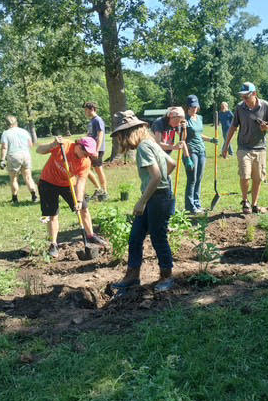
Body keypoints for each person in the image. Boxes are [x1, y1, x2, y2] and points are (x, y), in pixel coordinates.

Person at [110, 110, 177, 293]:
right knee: (136, 236)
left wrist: (142, 201)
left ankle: (167, 276)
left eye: (121, 137)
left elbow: (155, 176)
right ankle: (132, 276)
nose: (121, 142)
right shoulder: (151, 143)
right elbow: (171, 163)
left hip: (157, 198)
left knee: (158, 236)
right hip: (158, 194)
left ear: (129, 134)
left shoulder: (143, 148)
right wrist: (159, 182)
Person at [36, 135, 104, 258]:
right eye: (85, 152)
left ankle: (90, 236)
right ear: (78, 146)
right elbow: (39, 150)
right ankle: (53, 244)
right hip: (48, 182)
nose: (86, 156)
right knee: (52, 215)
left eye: (89, 154)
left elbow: (81, 181)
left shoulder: (85, 161)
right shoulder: (63, 145)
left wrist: (78, 200)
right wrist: (52, 145)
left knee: (83, 208)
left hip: (68, 184)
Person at [221, 82, 268, 214]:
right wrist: (226, 145)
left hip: (260, 148)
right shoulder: (240, 108)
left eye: (246, 96)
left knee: (257, 178)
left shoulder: (265, 105)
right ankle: (245, 201)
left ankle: (255, 204)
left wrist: (267, 127)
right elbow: (233, 127)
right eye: (242, 96)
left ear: (254, 94)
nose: (243, 99)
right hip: (244, 147)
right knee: (245, 176)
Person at [183, 94, 217, 214]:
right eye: (192, 107)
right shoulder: (184, 121)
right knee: (192, 179)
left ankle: (197, 204)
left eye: (196, 106)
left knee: (199, 178)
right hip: (191, 152)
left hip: (201, 151)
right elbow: (183, 140)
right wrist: (187, 158)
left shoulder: (200, 118)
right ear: (187, 107)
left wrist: (211, 140)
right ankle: (190, 206)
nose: (194, 109)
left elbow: (199, 135)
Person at [0, 115, 38, 204]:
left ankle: (15, 198)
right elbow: (30, 144)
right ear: (16, 122)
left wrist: (2, 160)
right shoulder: (24, 131)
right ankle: (34, 196)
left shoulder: (6, 133)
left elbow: (4, 147)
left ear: (7, 124)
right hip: (25, 155)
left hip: (13, 156)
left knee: (13, 179)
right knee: (28, 177)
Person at [82, 101, 109, 201]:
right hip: (90, 149)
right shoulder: (92, 121)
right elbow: (90, 134)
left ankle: (104, 192)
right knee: (87, 169)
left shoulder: (98, 120)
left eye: (86, 110)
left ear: (92, 109)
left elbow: (100, 135)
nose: (85, 112)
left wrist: (97, 150)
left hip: (97, 149)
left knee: (98, 170)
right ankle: (98, 189)